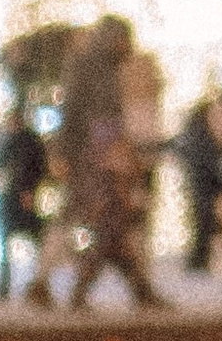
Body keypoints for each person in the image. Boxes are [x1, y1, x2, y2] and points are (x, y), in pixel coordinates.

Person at [51, 17, 165, 312]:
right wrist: (102, 156)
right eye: (121, 39)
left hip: (105, 160)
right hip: (98, 162)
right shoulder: (93, 71)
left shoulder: (111, 70)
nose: (126, 45)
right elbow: (84, 118)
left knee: (114, 227)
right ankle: (96, 291)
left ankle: (135, 290)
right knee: (109, 225)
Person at [0, 106, 53, 302]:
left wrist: (28, 191)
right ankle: (16, 287)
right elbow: (1, 166)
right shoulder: (13, 141)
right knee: (12, 244)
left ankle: (37, 286)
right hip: (13, 199)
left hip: (22, 199)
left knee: (35, 242)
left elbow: (35, 169)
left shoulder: (27, 142)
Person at [173, 94, 222, 275]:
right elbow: (207, 161)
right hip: (202, 186)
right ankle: (197, 262)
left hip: (202, 185)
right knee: (203, 225)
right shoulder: (201, 135)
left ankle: (198, 262)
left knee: (203, 225)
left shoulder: (199, 133)